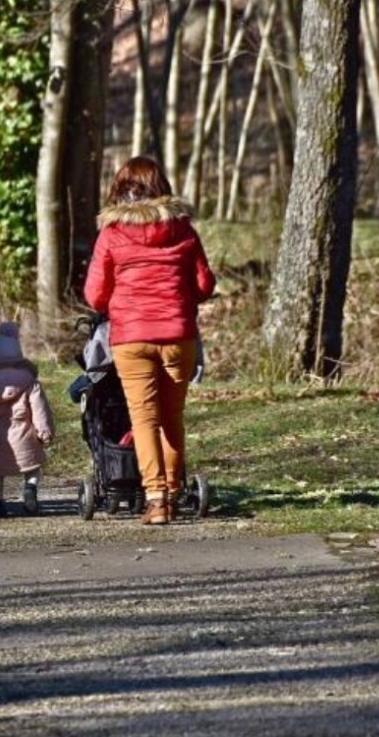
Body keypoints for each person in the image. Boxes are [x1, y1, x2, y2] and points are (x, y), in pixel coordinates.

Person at [83, 156, 216, 525]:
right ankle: (174, 493)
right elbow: (204, 285)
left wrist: (124, 301)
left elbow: (95, 296)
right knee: (172, 418)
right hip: (177, 336)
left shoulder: (111, 234)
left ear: (120, 188)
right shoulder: (184, 230)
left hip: (131, 339)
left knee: (143, 418)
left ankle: (156, 499)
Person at [0, 322, 55, 518]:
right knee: (32, 468)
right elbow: (40, 409)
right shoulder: (30, 383)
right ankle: (30, 489)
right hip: (25, 434)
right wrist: (44, 431)